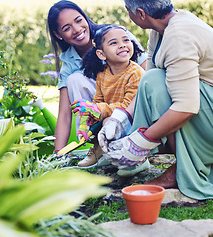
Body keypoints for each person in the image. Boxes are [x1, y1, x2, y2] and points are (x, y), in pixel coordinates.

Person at [98, 0, 213, 200]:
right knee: (153, 81)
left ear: (140, 13)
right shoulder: (160, 31)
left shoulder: (179, 36)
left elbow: (185, 107)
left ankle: (181, 171)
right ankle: (192, 158)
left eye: (127, 10)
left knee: (157, 83)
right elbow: (148, 84)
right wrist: (120, 118)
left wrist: (138, 143)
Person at [46, 0, 147, 157]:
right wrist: (58, 153)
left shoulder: (115, 35)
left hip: (132, 104)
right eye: (67, 28)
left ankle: (126, 138)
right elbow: (65, 114)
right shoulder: (69, 62)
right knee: (74, 79)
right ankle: (97, 143)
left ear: (85, 18)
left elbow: (147, 73)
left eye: (79, 21)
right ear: (59, 35)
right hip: (102, 112)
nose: (77, 29)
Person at [71, 25, 145, 171]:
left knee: (106, 120)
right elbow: (98, 101)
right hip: (114, 117)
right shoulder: (103, 74)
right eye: (114, 43)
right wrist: (89, 117)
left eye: (126, 40)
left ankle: (136, 160)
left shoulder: (135, 72)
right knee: (95, 124)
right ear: (101, 54)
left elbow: (128, 106)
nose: (123, 45)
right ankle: (103, 152)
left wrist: (99, 110)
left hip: (135, 120)